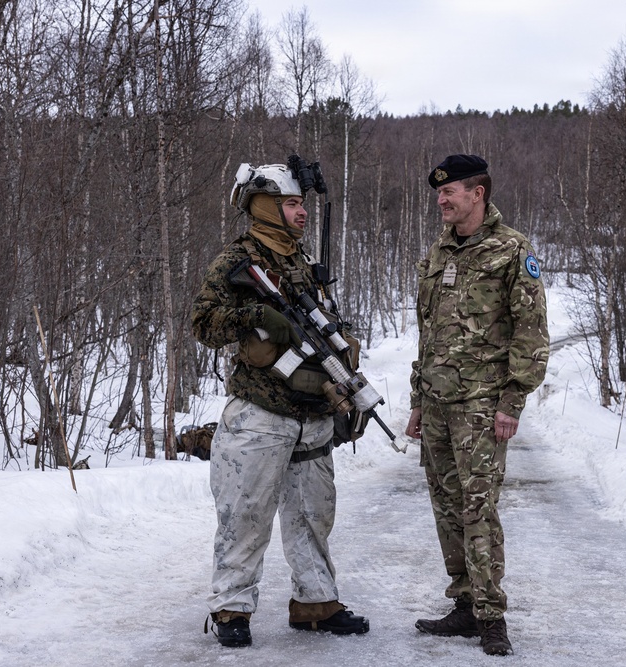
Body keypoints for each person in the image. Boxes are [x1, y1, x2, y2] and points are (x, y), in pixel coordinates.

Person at [191, 159, 368, 648]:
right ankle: (232, 608)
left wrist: (346, 388)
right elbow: (202, 323)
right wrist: (255, 316)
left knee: (313, 514)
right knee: (245, 514)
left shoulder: (300, 260)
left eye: (302, 203)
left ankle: (316, 603)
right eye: (292, 203)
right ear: (266, 206)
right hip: (261, 412)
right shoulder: (237, 259)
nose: (301, 212)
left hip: (312, 411)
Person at [404, 154, 549, 656]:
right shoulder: (438, 252)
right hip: (439, 405)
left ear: (478, 193)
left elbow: (531, 333)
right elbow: (428, 334)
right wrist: (418, 400)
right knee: (446, 508)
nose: (441, 200)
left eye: (450, 192)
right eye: (439, 194)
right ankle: (464, 605)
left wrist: (513, 401)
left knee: (478, 509)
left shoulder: (512, 250)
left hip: (482, 407)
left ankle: (491, 616)